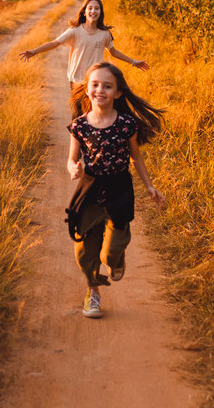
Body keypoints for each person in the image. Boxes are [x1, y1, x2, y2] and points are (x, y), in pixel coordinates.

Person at [65, 61, 165, 319]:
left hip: (119, 187)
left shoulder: (126, 124)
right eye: (95, 84)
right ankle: (93, 293)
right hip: (89, 188)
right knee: (85, 249)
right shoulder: (79, 125)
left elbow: (136, 158)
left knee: (111, 248)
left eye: (107, 86)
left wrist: (150, 187)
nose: (100, 90)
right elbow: (72, 158)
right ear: (86, 89)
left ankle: (115, 260)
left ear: (118, 93)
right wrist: (73, 168)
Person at [18, 0, 148, 93]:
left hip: (95, 80)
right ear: (84, 12)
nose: (93, 11)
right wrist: (34, 52)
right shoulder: (75, 31)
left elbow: (113, 52)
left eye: (97, 8)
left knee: (92, 115)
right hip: (76, 79)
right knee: (77, 115)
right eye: (90, 8)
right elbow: (54, 43)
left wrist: (133, 62)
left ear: (100, 13)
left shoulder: (104, 34)